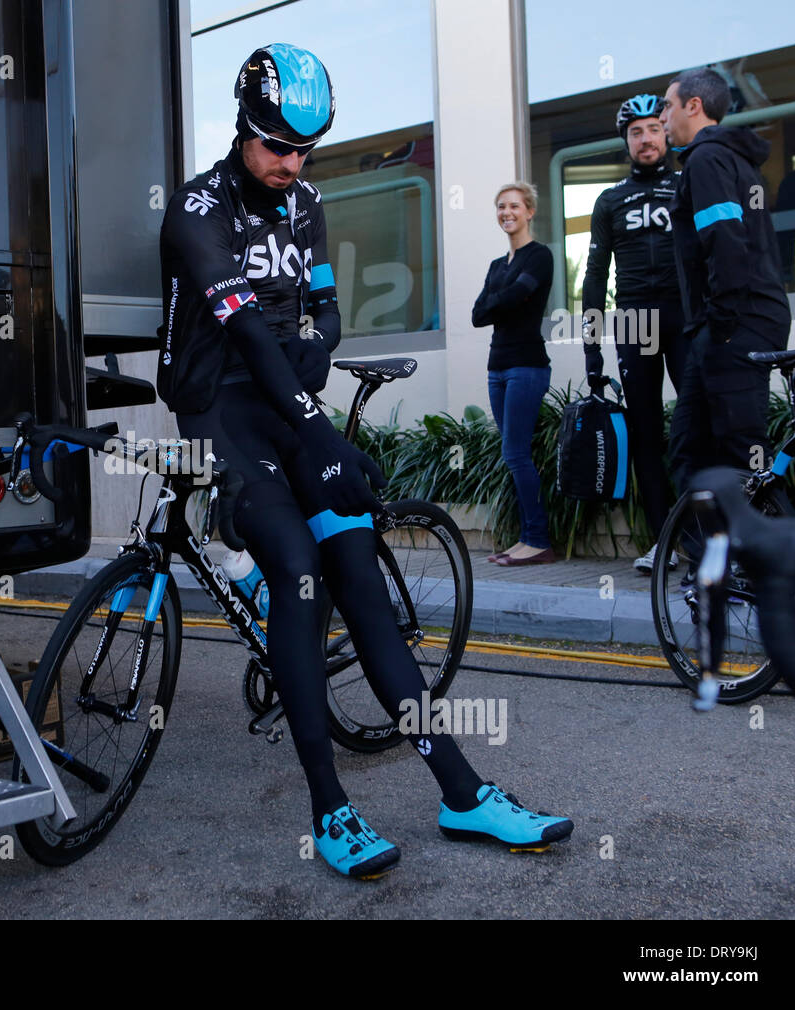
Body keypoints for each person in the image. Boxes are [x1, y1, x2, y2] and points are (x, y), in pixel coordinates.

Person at [157, 43, 572, 880]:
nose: (292, 163)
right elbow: (240, 331)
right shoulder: (195, 211)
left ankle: (461, 792)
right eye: (277, 146)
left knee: (362, 585)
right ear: (242, 129)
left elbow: (327, 309)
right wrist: (319, 429)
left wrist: (311, 364)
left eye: (306, 148)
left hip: (283, 401)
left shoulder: (304, 199)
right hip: (216, 403)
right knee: (300, 571)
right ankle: (329, 806)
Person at [658, 68, 790, 497]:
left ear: (693, 106)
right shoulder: (727, 157)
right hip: (733, 321)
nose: (662, 117)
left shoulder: (708, 159)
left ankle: (770, 557)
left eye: (667, 105)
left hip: (734, 323)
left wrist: (721, 324)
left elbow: (725, 240)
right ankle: (713, 560)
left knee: (738, 450)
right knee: (694, 448)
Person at [580, 95, 688, 574]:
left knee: (693, 430)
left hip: (686, 319)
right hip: (633, 322)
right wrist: (592, 355)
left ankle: (705, 540)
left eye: (653, 129)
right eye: (636, 132)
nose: (646, 139)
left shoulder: (688, 185)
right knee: (646, 434)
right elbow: (594, 277)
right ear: (626, 141)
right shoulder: (610, 199)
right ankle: (665, 543)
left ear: (666, 133)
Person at [472, 182, 555, 566]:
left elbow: (505, 301)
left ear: (529, 211)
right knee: (514, 456)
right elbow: (478, 315)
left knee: (516, 453)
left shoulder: (539, 257)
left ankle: (538, 540)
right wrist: (503, 300)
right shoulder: (496, 265)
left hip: (527, 366)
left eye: (514, 206)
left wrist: (499, 300)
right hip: (497, 367)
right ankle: (526, 538)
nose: (507, 212)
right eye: (501, 206)